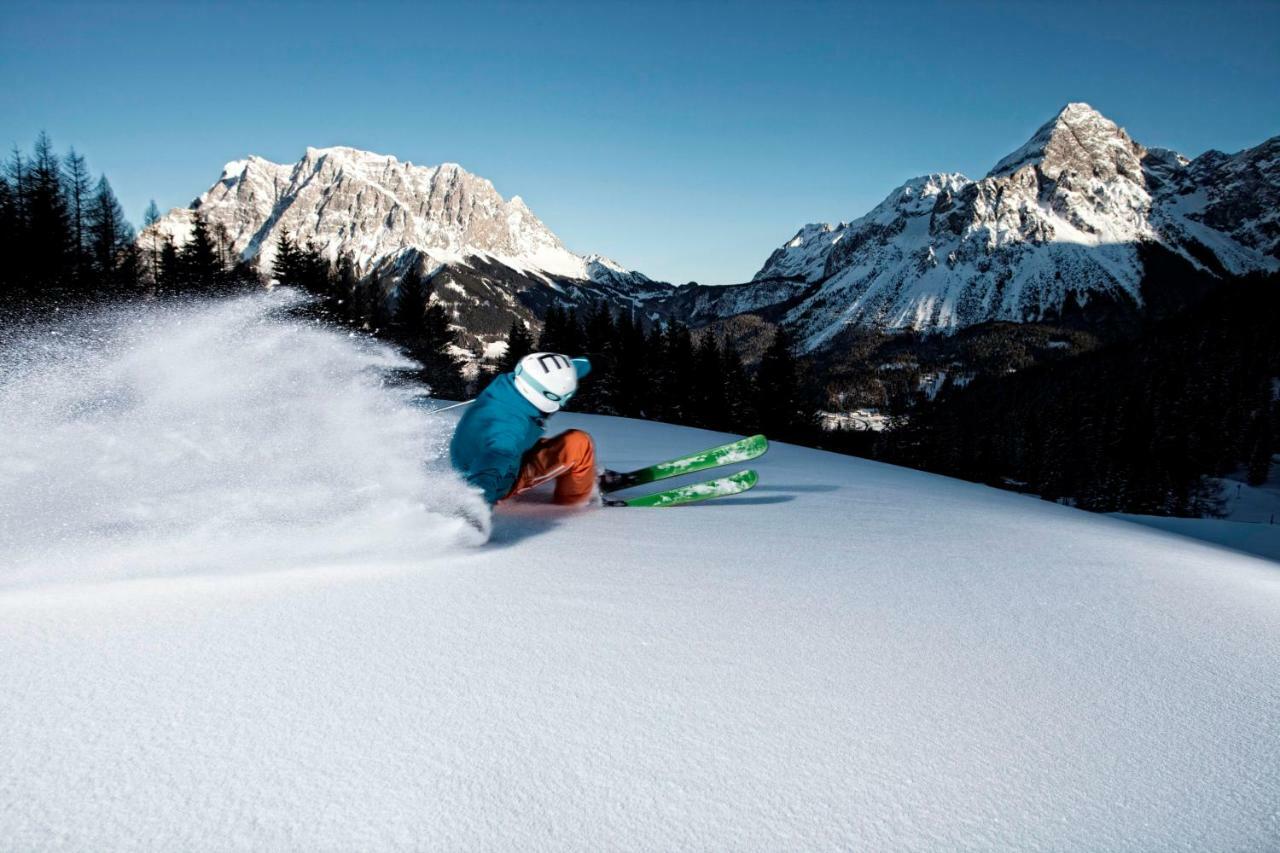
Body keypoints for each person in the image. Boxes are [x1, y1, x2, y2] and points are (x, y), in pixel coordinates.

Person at [450, 351, 598, 507]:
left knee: (545, 445)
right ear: (547, 398)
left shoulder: (515, 383)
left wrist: (591, 362)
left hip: (476, 455)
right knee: (579, 444)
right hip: (501, 480)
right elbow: (489, 469)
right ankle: (576, 501)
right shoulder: (509, 432)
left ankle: (578, 475)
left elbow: (556, 372)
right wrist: (473, 511)